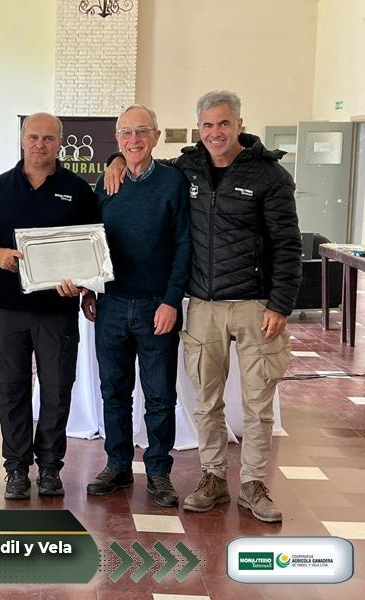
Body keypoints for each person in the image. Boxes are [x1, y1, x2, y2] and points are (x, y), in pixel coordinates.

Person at [104, 91, 302, 522]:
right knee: (206, 401)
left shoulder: (270, 175)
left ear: (239, 125)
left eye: (224, 123)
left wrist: (281, 304)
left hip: (255, 305)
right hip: (204, 306)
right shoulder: (188, 167)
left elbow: (288, 245)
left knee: (257, 404)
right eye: (208, 125)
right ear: (199, 128)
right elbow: (142, 159)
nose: (215, 132)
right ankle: (212, 477)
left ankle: (253, 485)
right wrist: (115, 160)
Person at [62, 105, 190, 507]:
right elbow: (92, 239)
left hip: (157, 307)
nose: (134, 140)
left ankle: (158, 471)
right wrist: (88, 290)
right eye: (126, 133)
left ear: (156, 137)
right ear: (117, 139)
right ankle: (117, 465)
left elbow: (184, 244)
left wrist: (172, 300)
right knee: (113, 392)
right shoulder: (107, 183)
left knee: (159, 396)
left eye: (142, 132)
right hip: (112, 305)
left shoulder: (173, 182)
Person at [0, 112, 99, 499]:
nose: (39, 144)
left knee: (57, 389)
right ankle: (15, 468)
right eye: (33, 137)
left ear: (60, 143)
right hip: (9, 309)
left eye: (48, 138)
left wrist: (84, 286)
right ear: (22, 139)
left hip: (58, 312)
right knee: (11, 389)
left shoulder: (78, 190)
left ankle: (49, 467)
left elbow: (94, 248)